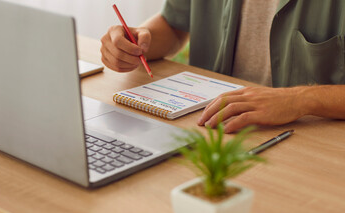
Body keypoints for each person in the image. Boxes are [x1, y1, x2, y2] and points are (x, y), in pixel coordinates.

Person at [100, 0, 345, 133]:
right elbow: (174, 25)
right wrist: (138, 41)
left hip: (302, 138)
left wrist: (300, 99)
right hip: (208, 126)